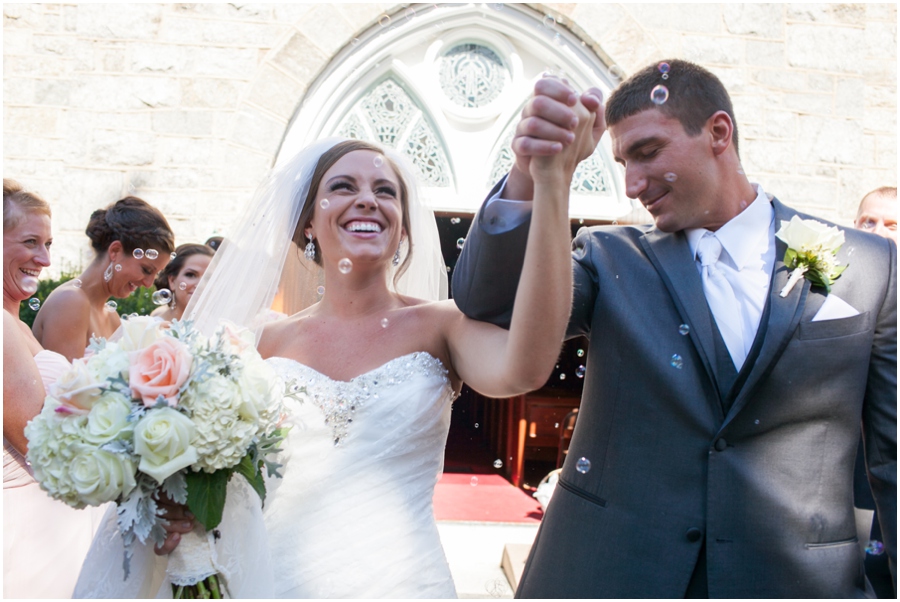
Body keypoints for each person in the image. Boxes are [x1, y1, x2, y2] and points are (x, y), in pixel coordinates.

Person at [74, 122, 594, 597]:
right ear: (306, 223)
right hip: (271, 581)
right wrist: (177, 505)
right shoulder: (255, 342)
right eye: (343, 187)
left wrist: (552, 184)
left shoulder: (445, 325)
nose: (367, 200)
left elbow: (525, 368)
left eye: (384, 191)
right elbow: (196, 470)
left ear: (405, 226)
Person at [452, 61, 896, 597]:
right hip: (612, 576)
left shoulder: (871, 266)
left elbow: (892, 456)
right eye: (621, 162)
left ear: (718, 133)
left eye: (647, 153)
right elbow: (487, 303)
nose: (633, 185)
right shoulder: (608, 258)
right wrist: (529, 173)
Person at [3, 179, 108, 597]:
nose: (44, 259)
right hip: (30, 538)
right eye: (30, 241)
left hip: (54, 526)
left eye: (48, 243)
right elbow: (38, 442)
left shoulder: (16, 324)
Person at [32, 196, 174, 361]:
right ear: (115, 251)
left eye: (156, 274)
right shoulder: (70, 301)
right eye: (146, 269)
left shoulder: (111, 315)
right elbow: (64, 384)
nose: (149, 283)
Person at [852, 184, 897, 598]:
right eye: (869, 221)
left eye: (891, 224)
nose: (879, 231)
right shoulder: (835, 288)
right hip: (849, 464)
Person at [150, 243, 215, 322]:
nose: (201, 285)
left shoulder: (221, 329)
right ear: (172, 281)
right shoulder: (149, 329)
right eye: (191, 275)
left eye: (208, 278)